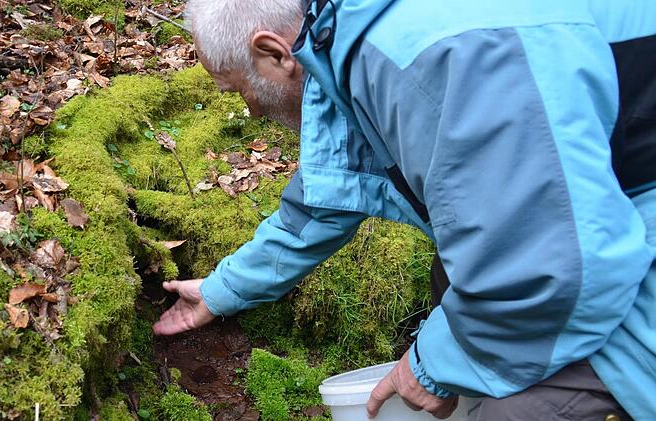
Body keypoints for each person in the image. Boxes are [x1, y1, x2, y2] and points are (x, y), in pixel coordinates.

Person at [152, 1, 656, 419]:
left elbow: (547, 268)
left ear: (273, 52)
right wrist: (222, 290)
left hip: (619, 236)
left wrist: (432, 365)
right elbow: (326, 194)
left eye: (237, 88)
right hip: (603, 212)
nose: (251, 110)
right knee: (451, 281)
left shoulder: (438, 56)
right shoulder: (348, 31)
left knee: (518, 413)